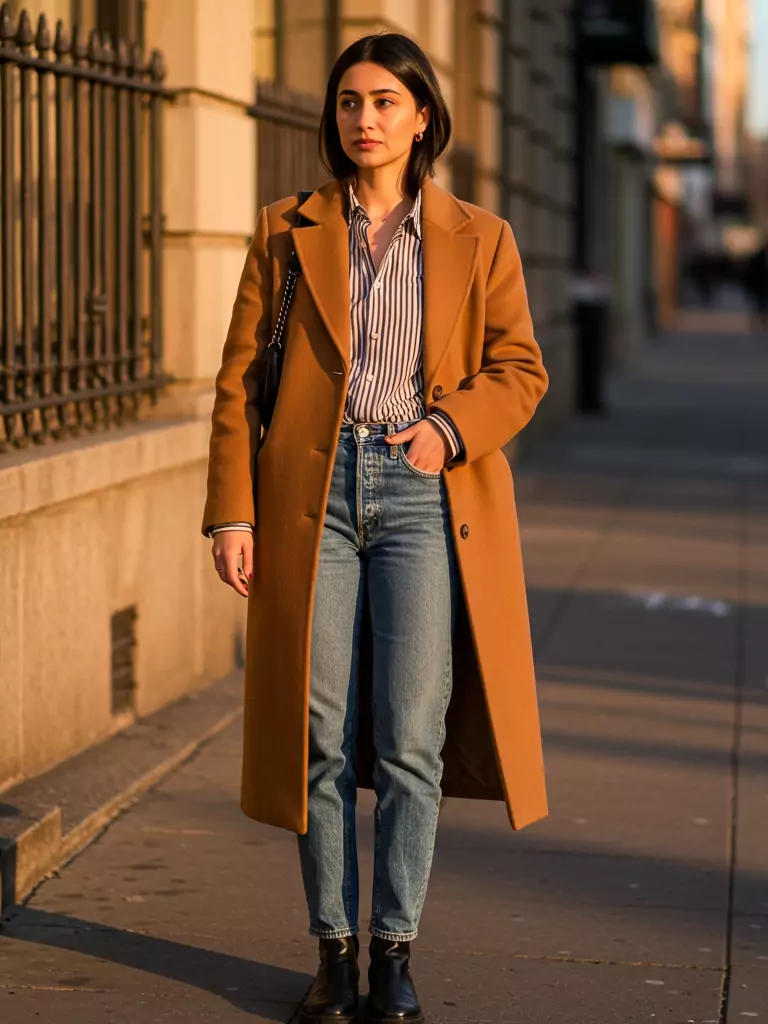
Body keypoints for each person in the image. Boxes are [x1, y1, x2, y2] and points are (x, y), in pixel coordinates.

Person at [202, 32, 549, 1024]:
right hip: (310, 497)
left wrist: (448, 430)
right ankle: (332, 953)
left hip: (422, 497)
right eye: (350, 101)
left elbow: (520, 369)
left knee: (407, 739)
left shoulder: (482, 236)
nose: (365, 119)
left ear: (423, 116)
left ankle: (394, 952)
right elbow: (238, 381)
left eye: (386, 101)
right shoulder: (287, 229)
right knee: (318, 734)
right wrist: (233, 511)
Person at [743, 242, 768, 333]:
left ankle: (763, 321)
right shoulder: (757, 258)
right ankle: (760, 321)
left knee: (764, 305)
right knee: (760, 305)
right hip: (760, 287)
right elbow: (750, 273)